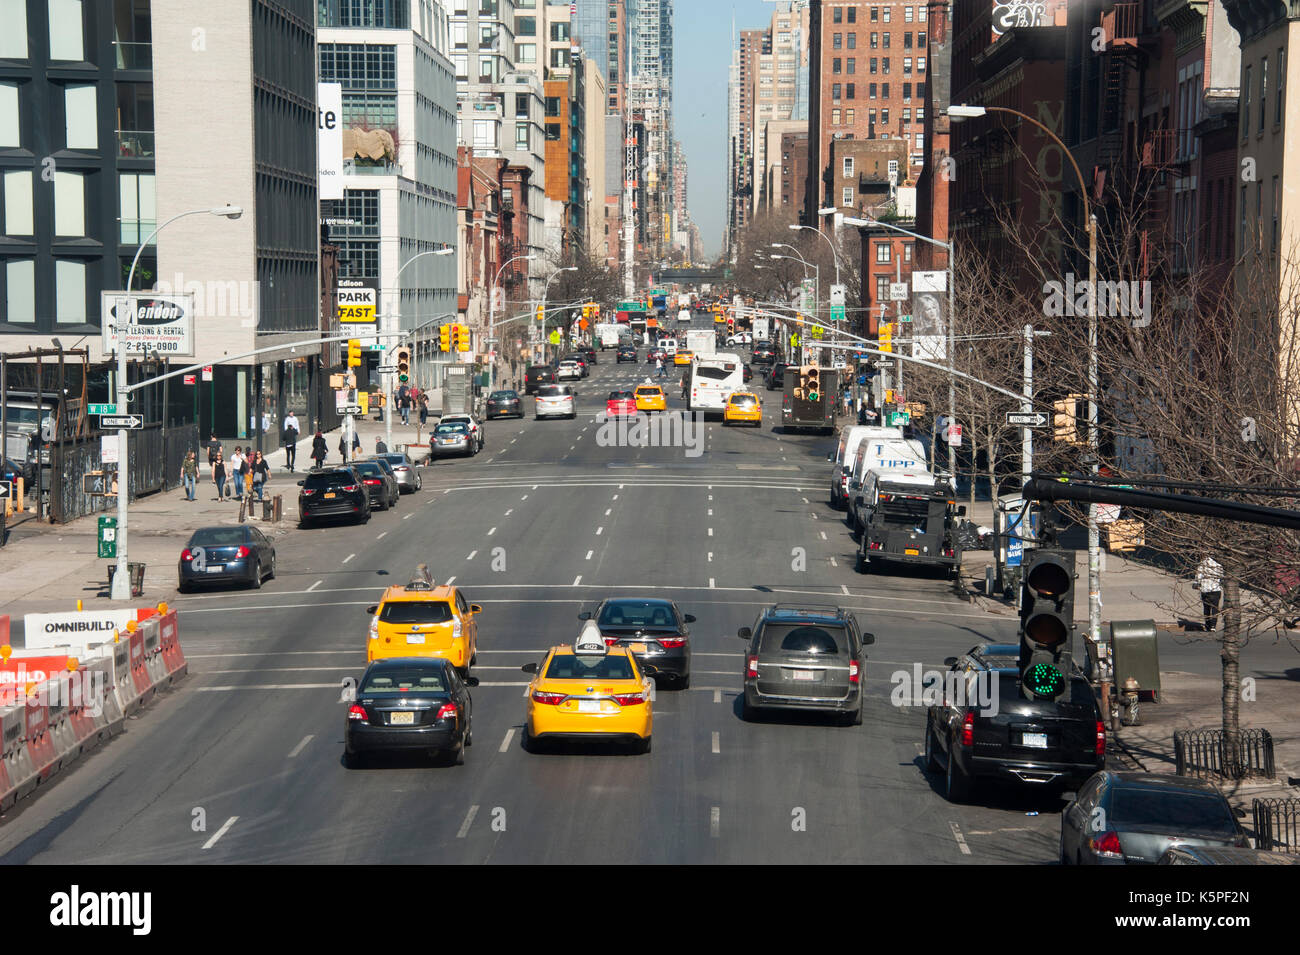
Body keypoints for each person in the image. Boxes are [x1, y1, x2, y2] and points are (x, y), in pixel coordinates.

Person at [1195, 555, 1223, 633]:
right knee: (1215, 608)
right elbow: (1221, 576)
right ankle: (1213, 626)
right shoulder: (1219, 564)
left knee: (1206, 608)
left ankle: (1207, 625)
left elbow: (1198, 577)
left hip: (1205, 590)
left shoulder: (1202, 564)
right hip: (1216, 590)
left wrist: (1197, 584)